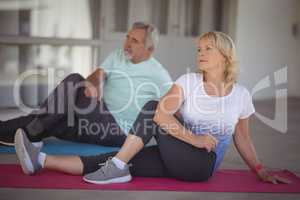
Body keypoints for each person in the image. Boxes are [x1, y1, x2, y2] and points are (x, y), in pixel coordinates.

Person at [14, 31, 290, 185]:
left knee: (150, 108)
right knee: (113, 158)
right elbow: (161, 115)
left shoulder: (241, 94)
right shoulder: (188, 82)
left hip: (201, 165)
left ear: (225, 56)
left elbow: (242, 137)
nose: (200, 54)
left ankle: (118, 166)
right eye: (199, 49)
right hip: (179, 153)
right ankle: (40, 161)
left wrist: (259, 169)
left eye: (208, 49)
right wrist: (192, 136)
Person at [0, 22, 172, 151]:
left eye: (134, 40)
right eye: (127, 36)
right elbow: (98, 75)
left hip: (118, 131)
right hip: (98, 114)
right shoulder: (119, 55)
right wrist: (91, 82)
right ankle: (17, 130)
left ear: (149, 49)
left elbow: (176, 105)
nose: (127, 43)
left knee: (73, 82)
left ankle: (32, 132)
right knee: (54, 118)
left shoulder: (158, 74)